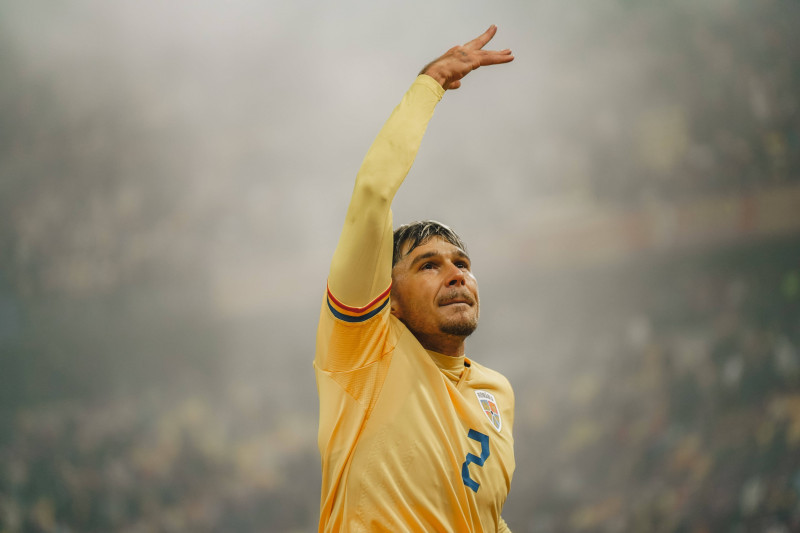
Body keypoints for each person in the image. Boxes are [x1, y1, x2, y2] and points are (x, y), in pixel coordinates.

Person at [315, 26, 515, 532]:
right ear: (391, 300)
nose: (454, 275)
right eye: (428, 265)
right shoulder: (365, 351)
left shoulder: (497, 392)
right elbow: (372, 195)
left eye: (462, 264)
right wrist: (431, 83)